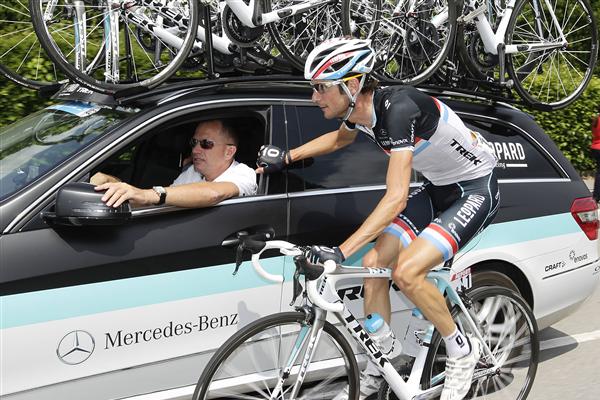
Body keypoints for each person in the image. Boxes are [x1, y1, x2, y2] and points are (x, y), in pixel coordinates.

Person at [256, 38, 499, 400]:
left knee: (407, 272)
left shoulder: (398, 110)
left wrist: (340, 251)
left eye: (321, 89)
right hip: (438, 188)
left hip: (474, 191)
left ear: (352, 85)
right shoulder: (359, 113)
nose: (314, 98)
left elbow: (397, 196)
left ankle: (462, 350)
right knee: (373, 265)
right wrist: (287, 157)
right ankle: (383, 361)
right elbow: (339, 141)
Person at [94, 119, 257, 208]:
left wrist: (144, 194)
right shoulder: (192, 172)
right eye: (194, 142)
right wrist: (115, 185)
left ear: (229, 152)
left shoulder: (243, 174)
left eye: (206, 143)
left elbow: (214, 193)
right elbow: (161, 203)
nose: (196, 150)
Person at [591, 105, 600, 202]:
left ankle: (596, 195)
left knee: (599, 172)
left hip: (595, 147)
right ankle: (596, 196)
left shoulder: (596, 119)